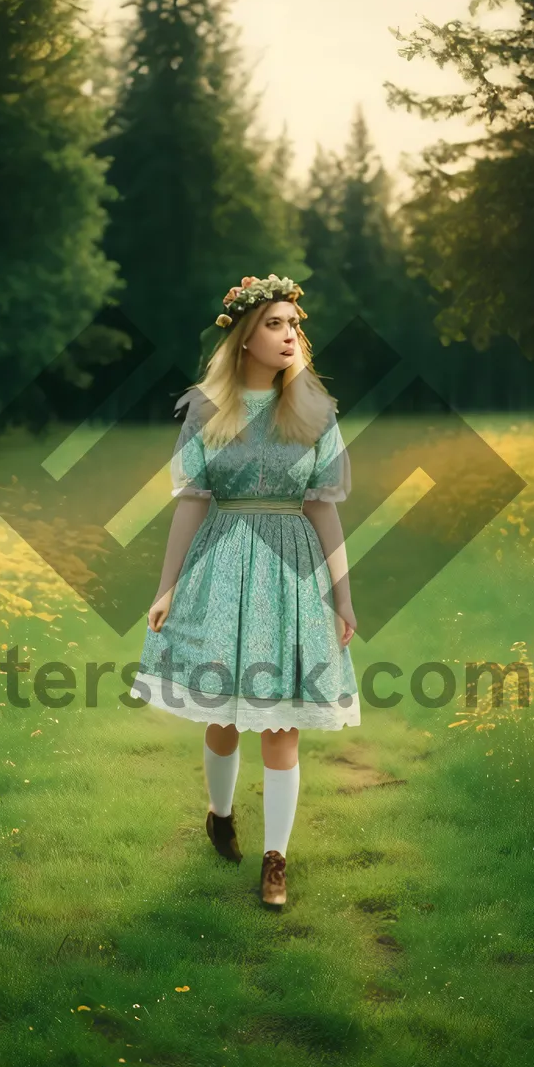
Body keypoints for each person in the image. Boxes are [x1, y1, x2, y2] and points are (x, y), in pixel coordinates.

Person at [131, 274, 359, 910]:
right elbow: (189, 504)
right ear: (242, 338)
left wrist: (342, 596)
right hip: (223, 565)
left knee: (281, 722)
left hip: (292, 570)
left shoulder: (315, 411)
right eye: (275, 324)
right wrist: (166, 588)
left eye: (294, 324)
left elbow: (325, 509)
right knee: (226, 716)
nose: (290, 335)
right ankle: (220, 812)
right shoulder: (208, 409)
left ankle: (276, 860)